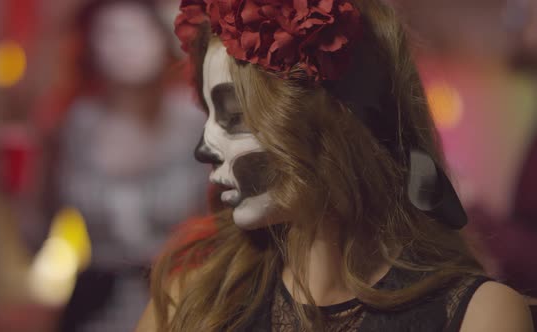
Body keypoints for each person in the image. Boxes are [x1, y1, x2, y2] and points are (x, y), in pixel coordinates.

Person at [138, 0, 534, 331]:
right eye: (209, 112)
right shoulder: (191, 302)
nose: (204, 147)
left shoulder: (478, 317)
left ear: (335, 123)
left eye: (235, 116)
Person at [48, 0, 208, 331]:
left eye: (135, 30)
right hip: (96, 306)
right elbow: (35, 236)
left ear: (162, 37)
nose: (124, 45)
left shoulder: (196, 121)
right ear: (91, 46)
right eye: (109, 33)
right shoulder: (77, 125)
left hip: (182, 299)